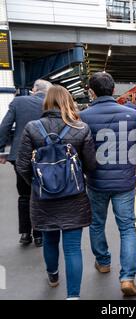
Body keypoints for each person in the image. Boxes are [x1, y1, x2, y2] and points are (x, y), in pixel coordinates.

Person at [16, 85, 96, 300]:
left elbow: (22, 166)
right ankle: (73, 296)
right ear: (68, 102)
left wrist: (39, 184)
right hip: (74, 198)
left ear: (46, 102)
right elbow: (91, 164)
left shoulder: (32, 128)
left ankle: (53, 276)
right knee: (72, 248)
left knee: (50, 240)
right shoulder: (81, 128)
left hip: (43, 199)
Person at [80, 72, 136, 297]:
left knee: (97, 223)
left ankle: (103, 262)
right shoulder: (131, 113)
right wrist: (129, 169)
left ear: (92, 91)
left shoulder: (84, 116)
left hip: (96, 182)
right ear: (113, 88)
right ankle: (127, 277)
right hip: (125, 182)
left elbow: (81, 151)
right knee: (127, 227)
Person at [0, 79, 52, 247]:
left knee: (24, 195)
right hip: (45, 156)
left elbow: (5, 126)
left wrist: (1, 150)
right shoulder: (51, 103)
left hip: (19, 155)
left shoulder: (18, 101)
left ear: (34, 89)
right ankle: (39, 235)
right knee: (41, 194)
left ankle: (25, 234)